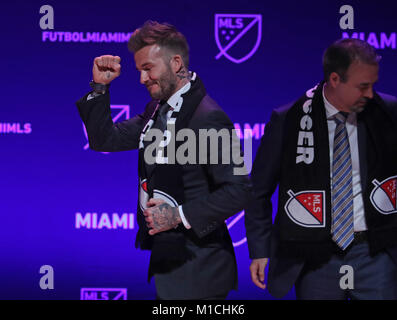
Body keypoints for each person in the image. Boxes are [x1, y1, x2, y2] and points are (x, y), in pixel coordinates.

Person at [76, 21, 251, 300]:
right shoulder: (156, 110)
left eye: (148, 69)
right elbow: (104, 140)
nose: (142, 79)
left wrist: (178, 215)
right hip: (170, 260)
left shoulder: (208, 117)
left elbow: (239, 190)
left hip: (201, 267)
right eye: (139, 71)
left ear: (177, 63)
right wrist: (99, 86)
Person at [245, 38, 397, 299]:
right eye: (363, 86)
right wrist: (259, 249)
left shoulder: (388, 113)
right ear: (335, 79)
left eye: (373, 85)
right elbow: (257, 191)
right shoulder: (288, 120)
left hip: (375, 255)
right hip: (315, 257)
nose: (370, 94)